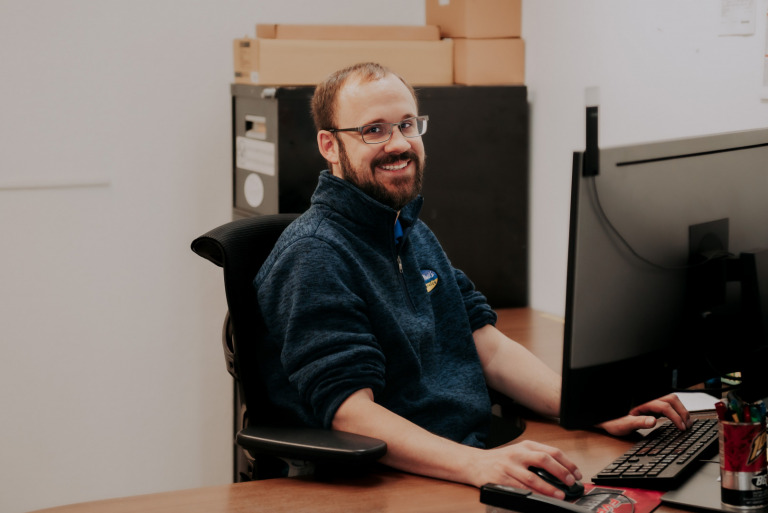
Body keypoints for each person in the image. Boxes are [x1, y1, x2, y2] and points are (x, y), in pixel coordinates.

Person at [253, 62, 692, 498]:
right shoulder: (314, 254)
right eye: (374, 130)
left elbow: (488, 347)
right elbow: (350, 413)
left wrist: (588, 407)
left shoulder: (407, 230)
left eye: (407, 124)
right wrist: (477, 465)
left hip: (459, 459)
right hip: (385, 484)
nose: (399, 144)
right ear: (330, 145)